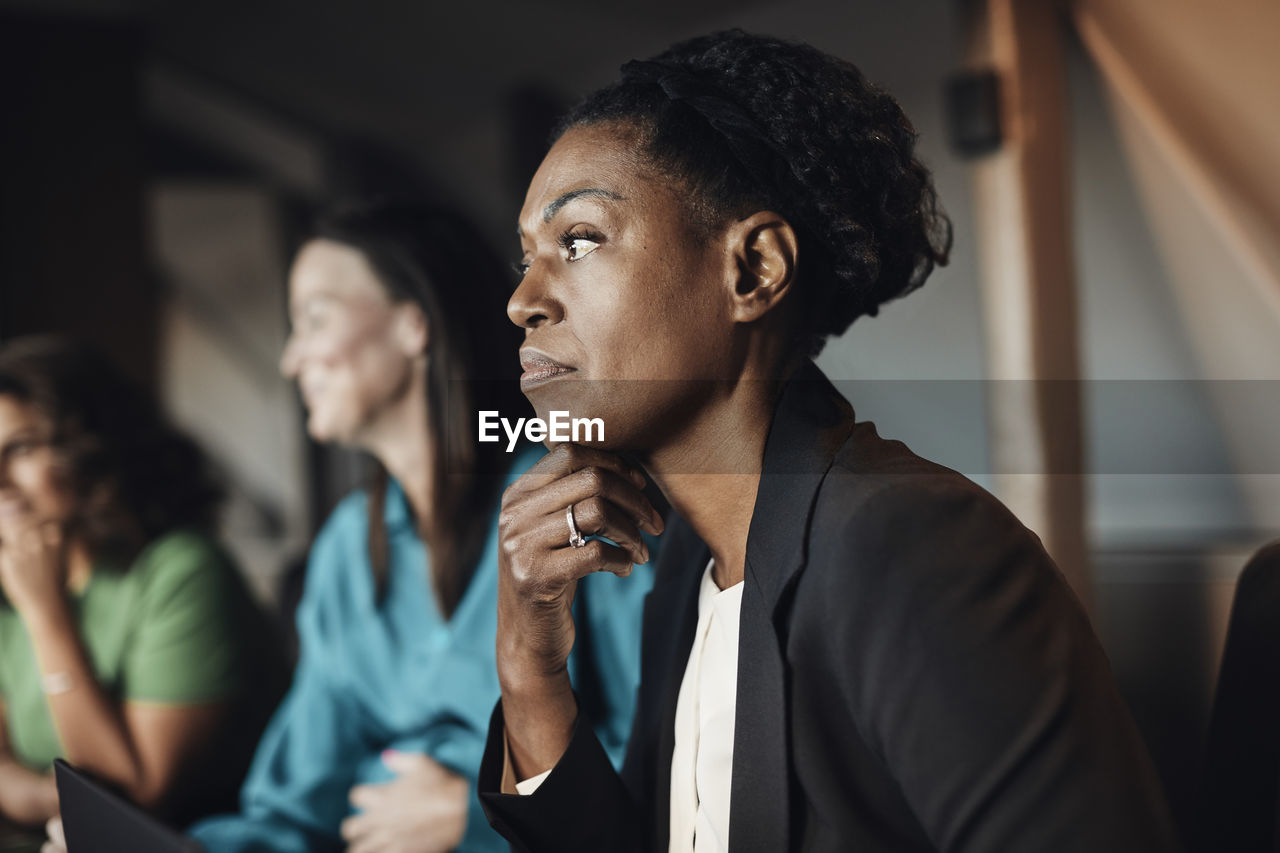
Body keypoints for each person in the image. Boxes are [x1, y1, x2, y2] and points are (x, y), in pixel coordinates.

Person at [477, 30, 1180, 852]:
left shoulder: (909, 545)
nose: (523, 299)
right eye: (526, 257)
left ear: (753, 270)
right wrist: (529, 664)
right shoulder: (685, 573)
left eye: (580, 240)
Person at [191, 200, 653, 853]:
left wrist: (479, 814)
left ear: (414, 323)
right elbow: (294, 807)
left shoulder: (573, 499)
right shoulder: (348, 549)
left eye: (313, 319)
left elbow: (662, 756)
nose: (291, 360)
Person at [0, 336, 278, 833]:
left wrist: (46, 617)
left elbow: (138, 795)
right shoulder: (8, 589)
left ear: (88, 443)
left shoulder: (182, 572)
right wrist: (53, 800)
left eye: (18, 448)